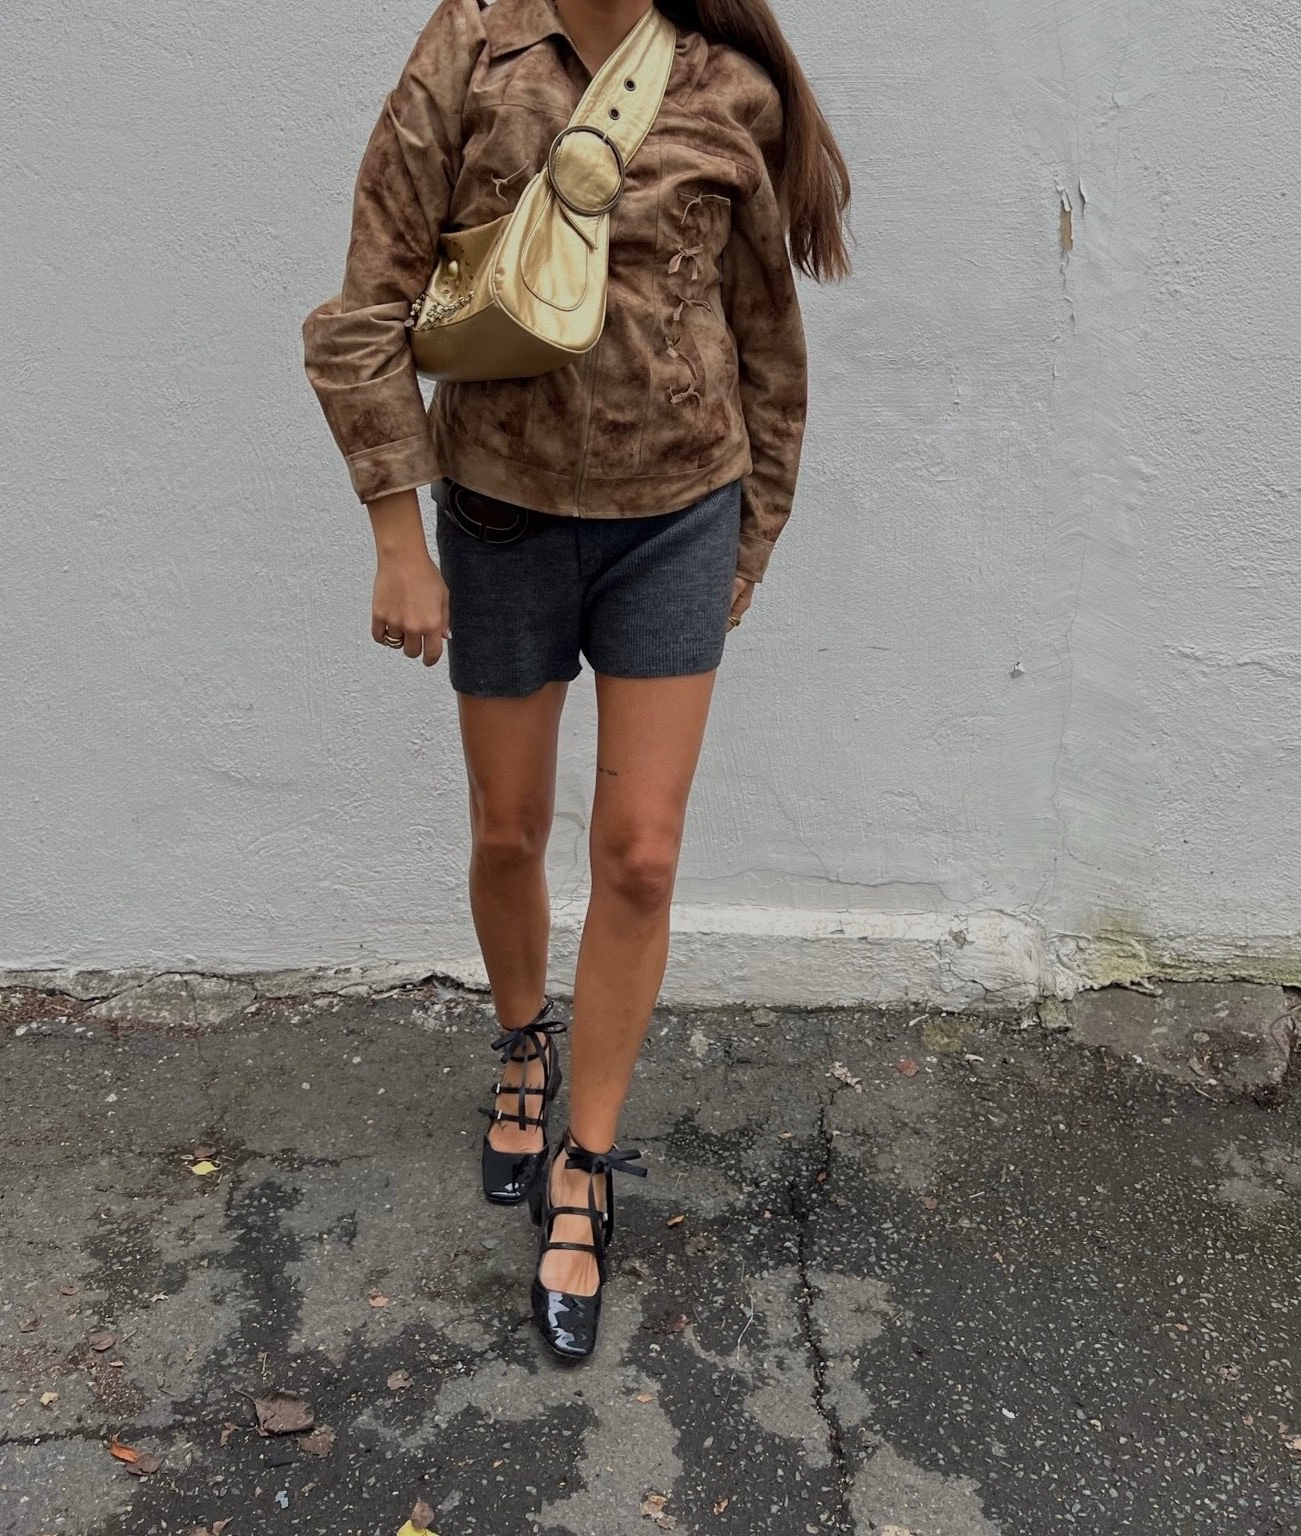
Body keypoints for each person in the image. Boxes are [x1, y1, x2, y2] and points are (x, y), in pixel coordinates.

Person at [301, 0, 849, 1363]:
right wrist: (396, 535)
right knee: (508, 831)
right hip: (501, 516)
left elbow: (767, 336)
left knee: (642, 856)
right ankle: (520, 1042)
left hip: (679, 518)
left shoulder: (730, 83)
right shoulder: (472, 46)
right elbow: (365, 310)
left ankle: (585, 1164)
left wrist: (750, 536)